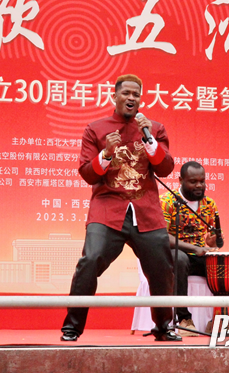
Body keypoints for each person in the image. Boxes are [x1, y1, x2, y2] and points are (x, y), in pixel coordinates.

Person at [61, 74, 181, 342]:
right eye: (126, 93)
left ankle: (164, 327)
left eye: (136, 94)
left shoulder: (154, 129)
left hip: (145, 210)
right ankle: (72, 327)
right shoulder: (95, 129)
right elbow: (87, 174)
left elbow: (165, 168)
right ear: (114, 96)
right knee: (90, 261)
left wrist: (150, 142)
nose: (131, 98)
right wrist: (106, 154)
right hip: (107, 209)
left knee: (162, 268)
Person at [160, 161, 229, 335]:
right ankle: (184, 320)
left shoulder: (209, 204)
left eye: (202, 181)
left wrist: (213, 243)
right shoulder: (167, 201)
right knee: (180, 259)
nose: (199, 185)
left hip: (201, 257)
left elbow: (216, 242)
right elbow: (162, 237)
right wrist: (194, 248)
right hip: (175, 256)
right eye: (193, 181)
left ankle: (219, 318)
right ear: (181, 180)